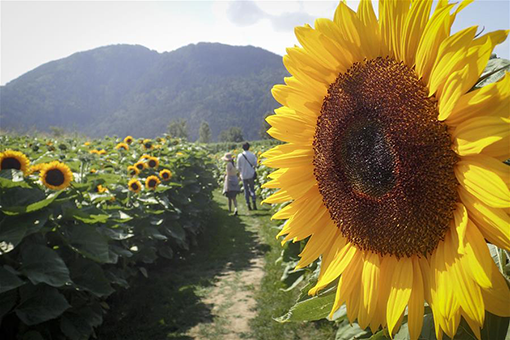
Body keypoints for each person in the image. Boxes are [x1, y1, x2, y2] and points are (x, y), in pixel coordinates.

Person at [236, 142, 257, 210]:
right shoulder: (252, 155)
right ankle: (254, 202)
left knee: (246, 190)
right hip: (251, 174)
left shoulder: (240, 156)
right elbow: (255, 164)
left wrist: (239, 174)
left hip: (243, 175)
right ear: (249, 147)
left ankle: (248, 204)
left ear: (242, 148)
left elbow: (238, 167)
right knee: (252, 189)